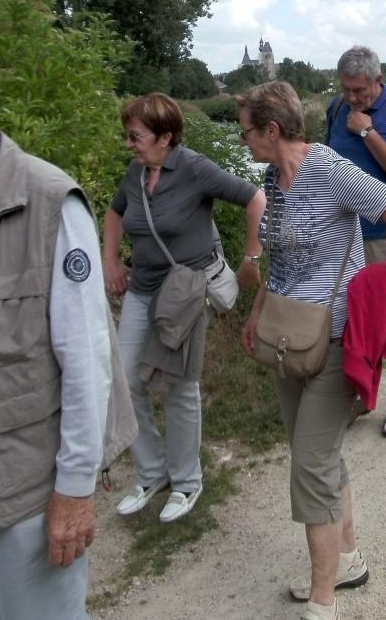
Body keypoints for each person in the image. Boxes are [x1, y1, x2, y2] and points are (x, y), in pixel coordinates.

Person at [236, 81, 386, 620]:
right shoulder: (273, 177)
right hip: (288, 339)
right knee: (319, 457)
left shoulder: (331, 170)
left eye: (245, 130)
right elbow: (281, 259)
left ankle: (322, 602)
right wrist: (256, 310)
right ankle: (349, 559)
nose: (242, 140)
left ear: (271, 130)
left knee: (310, 467)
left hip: (336, 342)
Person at [104, 92, 266, 523]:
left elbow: (255, 198)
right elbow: (114, 212)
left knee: (179, 385)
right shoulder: (136, 173)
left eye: (135, 136)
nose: (129, 144)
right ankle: (152, 472)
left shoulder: (193, 167)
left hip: (186, 292)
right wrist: (110, 261)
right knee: (125, 381)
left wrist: (251, 259)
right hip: (142, 288)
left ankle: (186, 482)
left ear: (165, 136)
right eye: (128, 136)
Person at [0, 130, 124, 619]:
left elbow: (89, 363)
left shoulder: (48, 202)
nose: (131, 144)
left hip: (20, 490)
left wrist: (74, 490)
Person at [326, 45, 386, 438]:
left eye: (360, 91)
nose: (352, 98)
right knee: (353, 319)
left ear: (377, 81)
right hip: (346, 235)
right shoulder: (335, 109)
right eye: (346, 89)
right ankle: (359, 394)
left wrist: (366, 130)